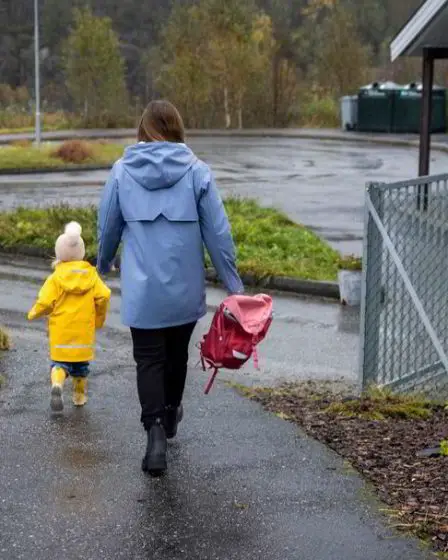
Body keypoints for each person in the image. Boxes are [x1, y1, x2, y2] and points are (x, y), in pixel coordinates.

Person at [97, 99, 243, 476]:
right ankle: (171, 412)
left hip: (143, 292)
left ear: (142, 128)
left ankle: (155, 433)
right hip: (184, 288)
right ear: (178, 128)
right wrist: (233, 285)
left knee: (147, 359)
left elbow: (109, 225)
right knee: (176, 356)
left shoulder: (121, 171)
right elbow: (219, 234)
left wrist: (102, 264)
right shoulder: (197, 172)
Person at [28, 222, 111, 412]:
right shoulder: (91, 276)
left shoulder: (56, 277)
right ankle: (79, 396)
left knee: (59, 364)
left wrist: (34, 313)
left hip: (61, 334)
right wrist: (99, 317)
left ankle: (57, 383)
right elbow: (104, 295)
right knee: (81, 368)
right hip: (83, 333)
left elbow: (45, 301)